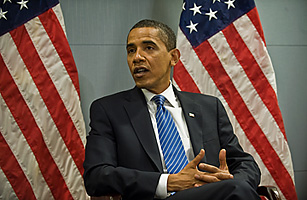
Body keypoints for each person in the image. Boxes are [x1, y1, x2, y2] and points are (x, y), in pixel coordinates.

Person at [83, 19, 261, 200]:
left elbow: (243, 162)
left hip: (214, 194)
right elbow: (97, 176)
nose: (137, 57)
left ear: (174, 57)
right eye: (131, 50)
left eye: (149, 48)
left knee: (237, 189)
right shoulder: (108, 110)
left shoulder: (209, 107)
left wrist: (229, 180)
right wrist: (169, 182)